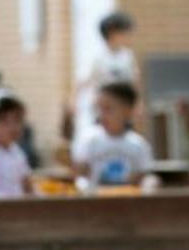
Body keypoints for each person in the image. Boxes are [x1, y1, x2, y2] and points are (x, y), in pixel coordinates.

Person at [62, 11, 140, 149]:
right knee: (103, 140)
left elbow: (134, 82)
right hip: (104, 109)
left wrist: (137, 103)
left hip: (123, 108)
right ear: (112, 32)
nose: (126, 36)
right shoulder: (98, 57)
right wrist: (73, 101)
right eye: (123, 32)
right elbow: (83, 80)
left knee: (124, 140)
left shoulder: (127, 56)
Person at [72, 82, 155, 190]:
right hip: (95, 198)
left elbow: (144, 176)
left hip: (127, 198)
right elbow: (80, 174)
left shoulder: (139, 145)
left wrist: (149, 183)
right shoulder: (89, 140)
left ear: (128, 111)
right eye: (98, 109)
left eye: (108, 109)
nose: (101, 115)